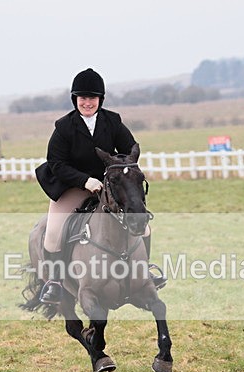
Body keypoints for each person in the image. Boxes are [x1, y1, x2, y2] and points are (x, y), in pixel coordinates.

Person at [34, 67, 165, 304]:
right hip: (71, 186)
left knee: (144, 227)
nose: (87, 103)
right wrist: (84, 181)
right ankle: (55, 282)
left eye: (92, 98)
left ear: (100, 100)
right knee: (53, 232)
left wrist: (117, 171)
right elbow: (56, 163)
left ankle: (144, 272)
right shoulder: (64, 127)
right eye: (83, 98)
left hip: (108, 186)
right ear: (76, 99)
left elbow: (129, 150)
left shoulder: (112, 121)